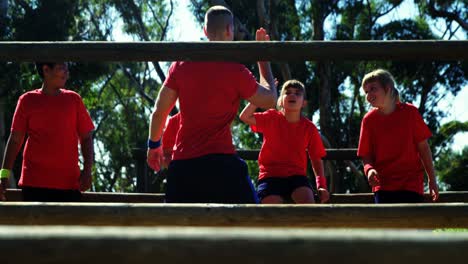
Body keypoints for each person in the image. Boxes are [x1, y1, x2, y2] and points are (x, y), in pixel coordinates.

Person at [146, 5, 277, 203]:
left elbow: (159, 112)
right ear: (229, 30)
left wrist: (153, 145)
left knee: (175, 229)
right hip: (222, 166)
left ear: (205, 31)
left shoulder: (181, 65)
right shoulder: (237, 71)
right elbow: (270, 100)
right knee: (252, 221)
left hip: (183, 167)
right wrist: (263, 58)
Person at [0, 62, 94, 202]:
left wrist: (87, 171)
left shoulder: (74, 100)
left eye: (67, 68)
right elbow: (15, 140)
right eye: (62, 67)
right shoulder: (27, 100)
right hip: (33, 185)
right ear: (46, 70)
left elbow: (86, 138)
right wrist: (3, 175)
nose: (67, 72)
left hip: (69, 185)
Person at [240, 79, 329, 204]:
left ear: (304, 103)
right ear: (280, 100)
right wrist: (262, 95)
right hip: (269, 176)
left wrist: (321, 185)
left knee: (309, 206)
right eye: (287, 93)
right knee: (271, 212)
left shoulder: (309, 128)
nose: (292, 95)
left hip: (297, 177)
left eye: (297, 93)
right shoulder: (271, 117)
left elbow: (316, 158)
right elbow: (244, 116)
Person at [357, 69, 439, 203]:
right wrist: (369, 170)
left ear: (388, 88)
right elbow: (365, 154)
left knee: (412, 222)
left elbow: (424, 148)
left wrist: (432, 179)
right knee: (387, 223)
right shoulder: (368, 120)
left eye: (373, 89)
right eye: (366, 91)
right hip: (383, 185)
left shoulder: (410, 113)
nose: (368, 95)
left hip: (411, 184)